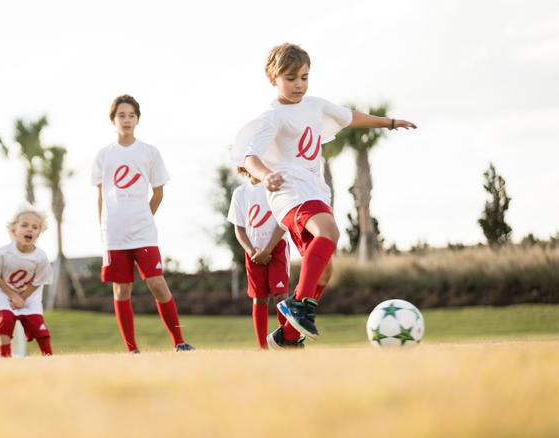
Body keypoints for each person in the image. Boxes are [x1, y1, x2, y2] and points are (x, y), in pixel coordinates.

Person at [236, 43, 416, 346]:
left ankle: (288, 337)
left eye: (304, 77)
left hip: (313, 189)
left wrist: (389, 123)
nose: (299, 85)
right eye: (291, 78)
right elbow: (249, 157)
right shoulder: (272, 116)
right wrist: (266, 176)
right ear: (273, 78)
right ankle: (298, 304)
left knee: (325, 269)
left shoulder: (316, 105)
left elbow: (350, 117)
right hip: (287, 192)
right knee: (329, 232)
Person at [91, 94, 194, 353]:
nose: (126, 120)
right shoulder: (104, 155)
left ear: (138, 119)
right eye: (121, 116)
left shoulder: (149, 152)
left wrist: (145, 217)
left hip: (144, 233)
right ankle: (131, 349)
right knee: (121, 290)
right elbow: (100, 196)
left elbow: (158, 193)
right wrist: (102, 230)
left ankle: (179, 342)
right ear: (112, 120)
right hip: (114, 234)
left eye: (131, 115)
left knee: (157, 284)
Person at [227, 167, 304, 350]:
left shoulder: (274, 188)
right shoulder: (240, 193)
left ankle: (288, 340)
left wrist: (268, 249)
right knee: (259, 298)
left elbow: (283, 222)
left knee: (280, 296)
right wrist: (252, 251)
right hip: (253, 252)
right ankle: (262, 347)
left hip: (276, 248)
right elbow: (239, 228)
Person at [0, 204, 54, 357]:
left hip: (30, 297)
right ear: (13, 230)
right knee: (5, 322)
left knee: (39, 328)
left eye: (35, 227)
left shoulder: (41, 257)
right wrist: (12, 295)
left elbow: (38, 282)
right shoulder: (2, 254)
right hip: (6, 295)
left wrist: (22, 297)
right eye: (24, 225)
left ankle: (49, 357)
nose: (30, 229)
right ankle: (5, 357)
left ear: (39, 234)